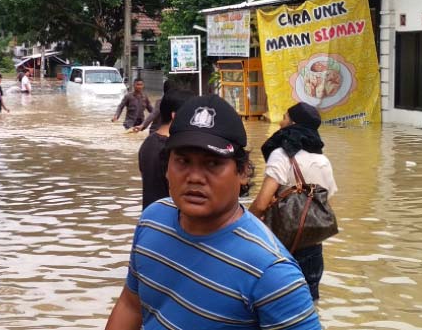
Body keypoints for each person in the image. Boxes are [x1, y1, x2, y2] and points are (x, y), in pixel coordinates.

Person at [105, 95, 321, 330]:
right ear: (166, 167)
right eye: (183, 161)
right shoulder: (152, 220)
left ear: (243, 172)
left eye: (213, 163)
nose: (195, 177)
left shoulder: (272, 272)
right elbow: (131, 304)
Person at [249, 102, 337, 302]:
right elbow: (326, 201)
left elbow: (261, 204)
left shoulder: (281, 155)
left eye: (285, 117)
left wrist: (242, 225)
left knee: (275, 304)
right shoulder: (323, 160)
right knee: (308, 306)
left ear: (293, 124)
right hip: (314, 249)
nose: (281, 122)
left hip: (281, 246)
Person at [137, 88, 193, 210]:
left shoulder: (147, 143)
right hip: (170, 220)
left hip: (151, 218)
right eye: (192, 115)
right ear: (175, 116)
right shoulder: (174, 150)